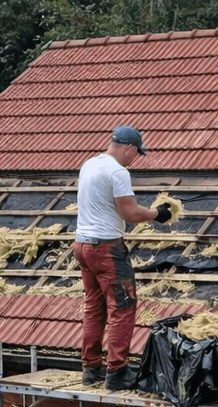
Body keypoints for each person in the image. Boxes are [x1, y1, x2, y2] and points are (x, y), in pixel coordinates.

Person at [73, 125, 172, 391]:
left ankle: (90, 368)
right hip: (106, 248)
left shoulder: (89, 164)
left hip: (82, 245)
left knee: (94, 304)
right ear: (128, 148)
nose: (134, 159)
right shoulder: (118, 171)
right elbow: (129, 213)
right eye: (135, 153)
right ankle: (117, 372)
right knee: (123, 305)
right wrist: (157, 214)